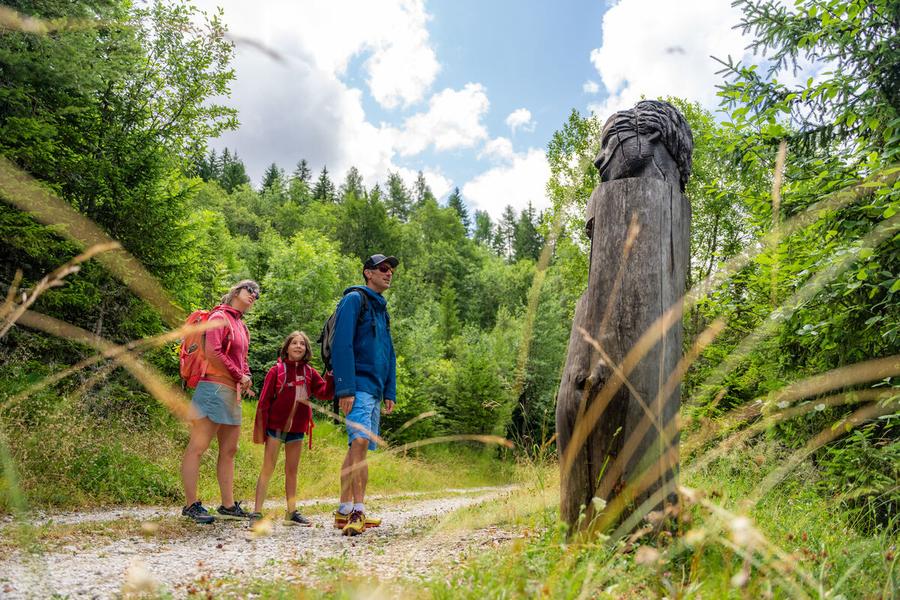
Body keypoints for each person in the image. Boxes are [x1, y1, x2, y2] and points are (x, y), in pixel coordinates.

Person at [181, 280, 259, 524]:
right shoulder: (219, 316)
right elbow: (214, 352)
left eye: (257, 295)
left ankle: (227, 506)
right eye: (250, 291)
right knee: (197, 447)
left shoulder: (241, 325)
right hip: (212, 388)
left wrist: (246, 378)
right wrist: (239, 374)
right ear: (237, 291)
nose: (253, 296)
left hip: (231, 392)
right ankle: (191, 505)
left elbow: (242, 358)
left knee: (230, 450)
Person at [332, 253, 398, 536]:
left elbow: (388, 352)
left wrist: (389, 390)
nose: (389, 273)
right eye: (383, 268)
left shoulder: (382, 309)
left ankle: (344, 511)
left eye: (391, 270)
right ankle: (358, 510)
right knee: (359, 443)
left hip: (374, 388)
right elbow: (341, 345)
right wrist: (345, 388)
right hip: (357, 386)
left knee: (357, 448)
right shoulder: (353, 300)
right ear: (367, 273)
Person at [250, 331, 333, 525]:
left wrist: (331, 374)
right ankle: (256, 512)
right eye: (294, 343)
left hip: (297, 429)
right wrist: (260, 432)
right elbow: (263, 403)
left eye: (302, 344)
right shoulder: (276, 371)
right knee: (268, 468)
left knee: (292, 471)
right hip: (275, 429)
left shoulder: (309, 372)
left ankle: (291, 512)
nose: (298, 346)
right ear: (286, 347)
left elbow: (324, 393)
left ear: (306, 350)